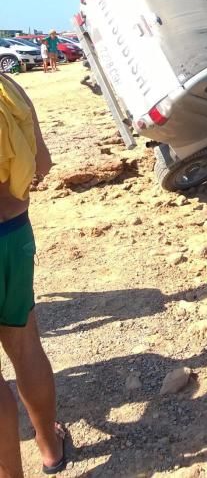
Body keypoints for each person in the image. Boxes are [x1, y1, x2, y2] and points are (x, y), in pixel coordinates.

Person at [0, 73, 67, 476]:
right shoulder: (9, 88)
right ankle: (50, 449)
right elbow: (41, 163)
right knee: (25, 346)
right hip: (14, 235)